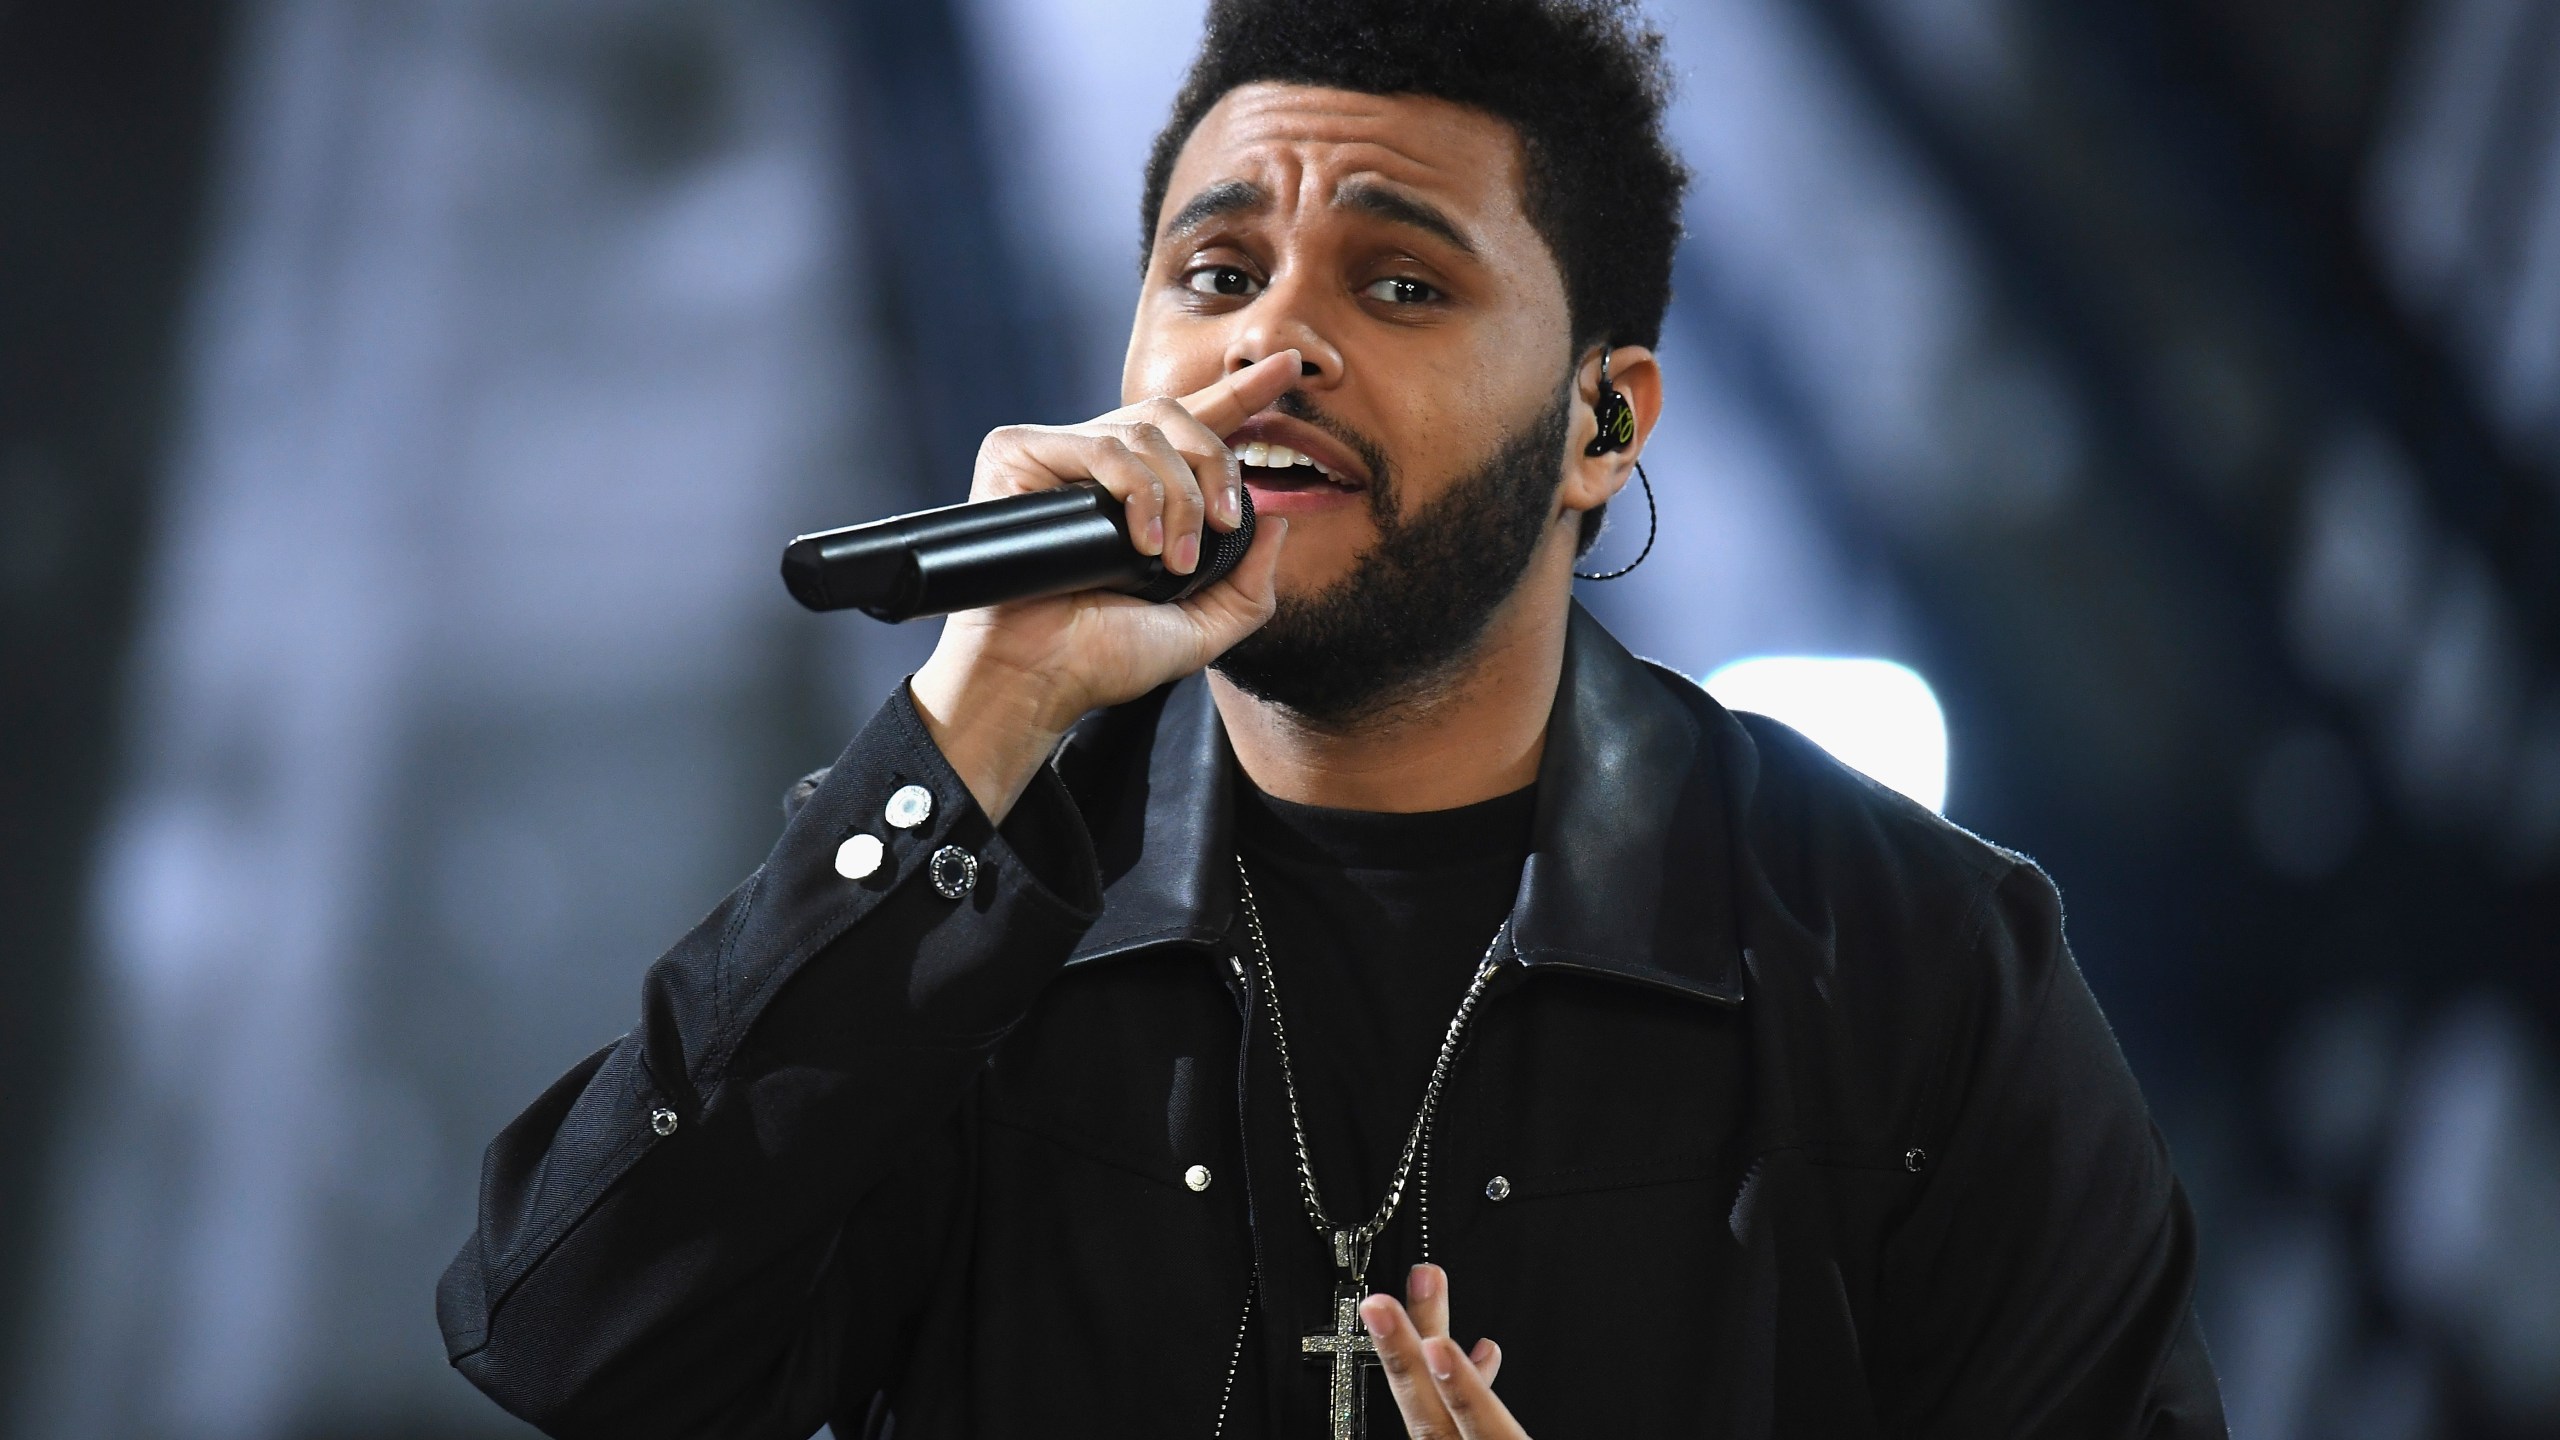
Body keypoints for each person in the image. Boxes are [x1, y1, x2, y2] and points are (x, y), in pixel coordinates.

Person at [438, 1, 2227, 1435]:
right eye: (1215, 278)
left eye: (1400, 285)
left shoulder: (1919, 967)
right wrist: (974, 721)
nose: (1272, 345)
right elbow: (571, 1342)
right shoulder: (968, 917)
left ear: (1602, 427)